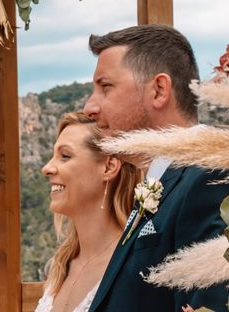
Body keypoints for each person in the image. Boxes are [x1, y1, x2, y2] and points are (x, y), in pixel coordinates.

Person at [82, 24, 229, 312]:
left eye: (106, 87)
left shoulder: (211, 176)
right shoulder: (169, 178)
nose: (90, 107)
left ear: (159, 90)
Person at [36, 112, 142, 312]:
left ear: (109, 167)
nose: (47, 168)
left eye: (65, 156)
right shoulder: (60, 266)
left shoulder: (134, 261)